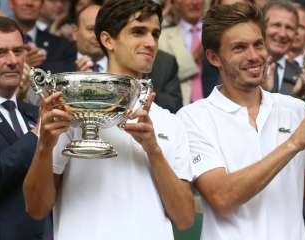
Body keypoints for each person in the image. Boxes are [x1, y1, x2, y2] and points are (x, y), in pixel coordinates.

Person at [177, 3, 305, 240]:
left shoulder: (296, 110)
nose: (254, 56)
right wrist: (293, 143)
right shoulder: (193, 118)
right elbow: (222, 199)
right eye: (239, 48)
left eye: (258, 44)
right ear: (214, 57)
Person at [23, 1, 194, 239]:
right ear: (108, 40)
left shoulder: (169, 122)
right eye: (138, 31)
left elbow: (185, 219)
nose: (151, 42)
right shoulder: (70, 112)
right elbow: (36, 208)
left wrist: (153, 149)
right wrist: (44, 147)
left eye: (155, 33)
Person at [0, 16, 44, 240]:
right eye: (1, 53)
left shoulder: (36, 114)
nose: (12, 60)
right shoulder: (41, 124)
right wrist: (36, 136)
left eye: (18, 51)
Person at [262, 0, 302, 95]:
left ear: (295, 34)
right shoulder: (243, 67)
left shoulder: (303, 78)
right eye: (276, 25)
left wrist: (294, 96)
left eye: (289, 28)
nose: (282, 34)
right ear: (261, 27)